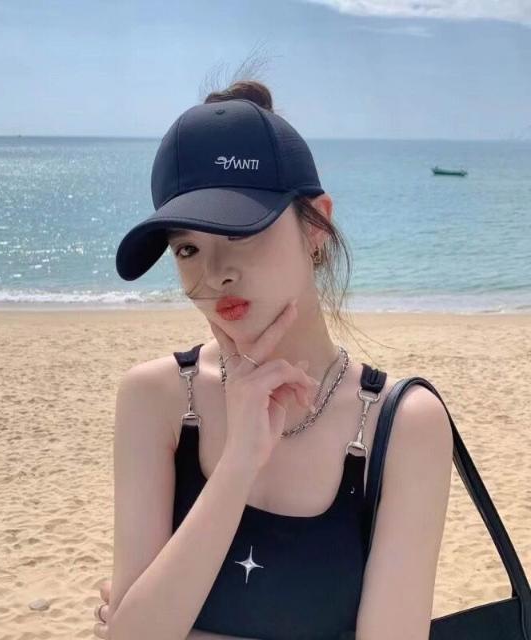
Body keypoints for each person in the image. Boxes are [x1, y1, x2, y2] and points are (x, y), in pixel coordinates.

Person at [93, 80, 453, 640]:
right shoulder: (156, 399)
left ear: (316, 226)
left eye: (241, 231)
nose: (215, 273)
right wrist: (239, 462)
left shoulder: (403, 426)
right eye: (187, 248)